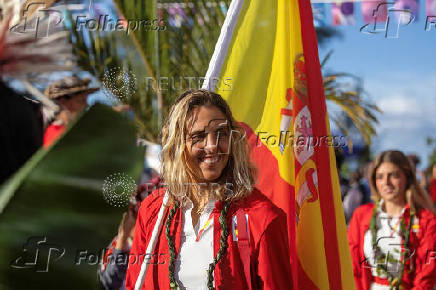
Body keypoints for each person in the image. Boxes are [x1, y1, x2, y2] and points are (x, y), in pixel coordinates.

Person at [125, 89, 292, 289]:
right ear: (177, 144)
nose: (212, 146)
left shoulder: (261, 219)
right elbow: (136, 282)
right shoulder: (153, 211)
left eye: (221, 134)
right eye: (198, 136)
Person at [348, 150, 436, 290]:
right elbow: (353, 267)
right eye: (380, 177)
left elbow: (427, 273)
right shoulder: (362, 215)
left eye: (393, 175)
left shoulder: (425, 220)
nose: (386, 182)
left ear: (407, 177)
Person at [43, 75, 99, 147]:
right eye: (81, 101)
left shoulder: (84, 127)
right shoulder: (55, 133)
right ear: (63, 102)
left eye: (85, 100)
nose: (86, 105)